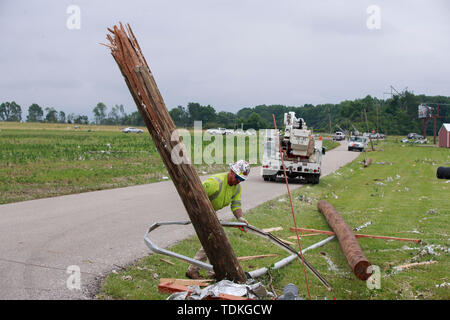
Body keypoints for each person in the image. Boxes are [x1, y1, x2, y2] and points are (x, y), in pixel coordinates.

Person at [185, 160, 250, 279]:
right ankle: (194, 270)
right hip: (200, 212)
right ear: (231, 171)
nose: (238, 181)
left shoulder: (236, 188)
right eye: (237, 178)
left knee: (215, 241)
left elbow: (236, 205)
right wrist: (199, 215)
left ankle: (212, 272)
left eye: (241, 180)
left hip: (211, 214)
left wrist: (240, 219)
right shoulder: (215, 183)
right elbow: (194, 195)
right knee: (212, 240)